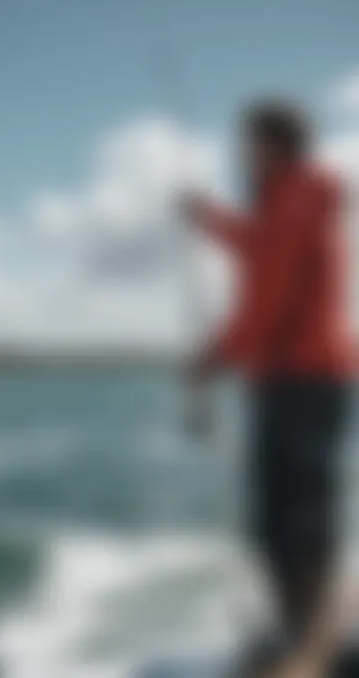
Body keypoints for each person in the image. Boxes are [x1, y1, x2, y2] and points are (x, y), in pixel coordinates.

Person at [183, 100, 355, 676]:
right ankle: (298, 623)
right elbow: (261, 251)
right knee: (284, 516)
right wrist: (210, 219)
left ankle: (305, 636)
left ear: (274, 146)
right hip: (298, 376)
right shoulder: (291, 200)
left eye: (248, 144)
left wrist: (210, 358)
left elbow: (267, 299)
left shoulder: (295, 198)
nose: (242, 155)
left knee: (290, 519)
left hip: (298, 378)